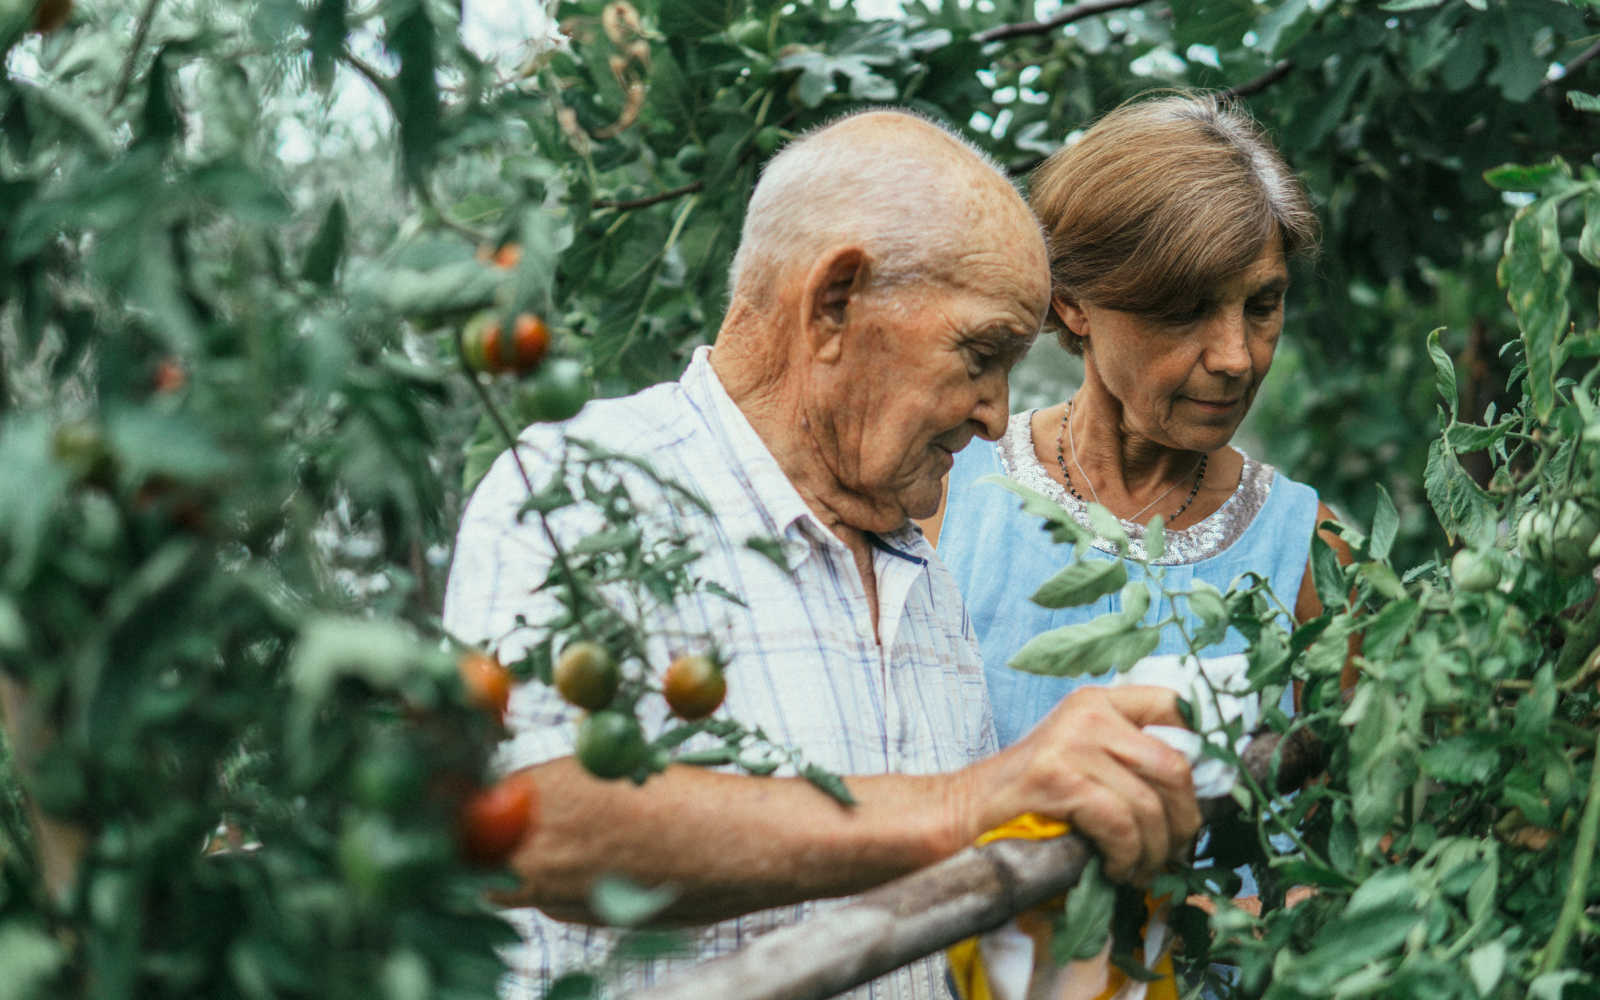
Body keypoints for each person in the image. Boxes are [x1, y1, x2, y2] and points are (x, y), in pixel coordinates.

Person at [443, 110, 1201, 997]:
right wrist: (967, 805)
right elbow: (526, 826)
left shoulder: (921, 572)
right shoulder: (583, 486)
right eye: (982, 352)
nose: (998, 413)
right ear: (835, 302)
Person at [924, 93, 1349, 754]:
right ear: (1072, 306)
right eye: (1185, 312)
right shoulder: (942, 499)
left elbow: (1343, 821)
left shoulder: (1311, 556)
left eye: (1263, 304)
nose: (1237, 357)